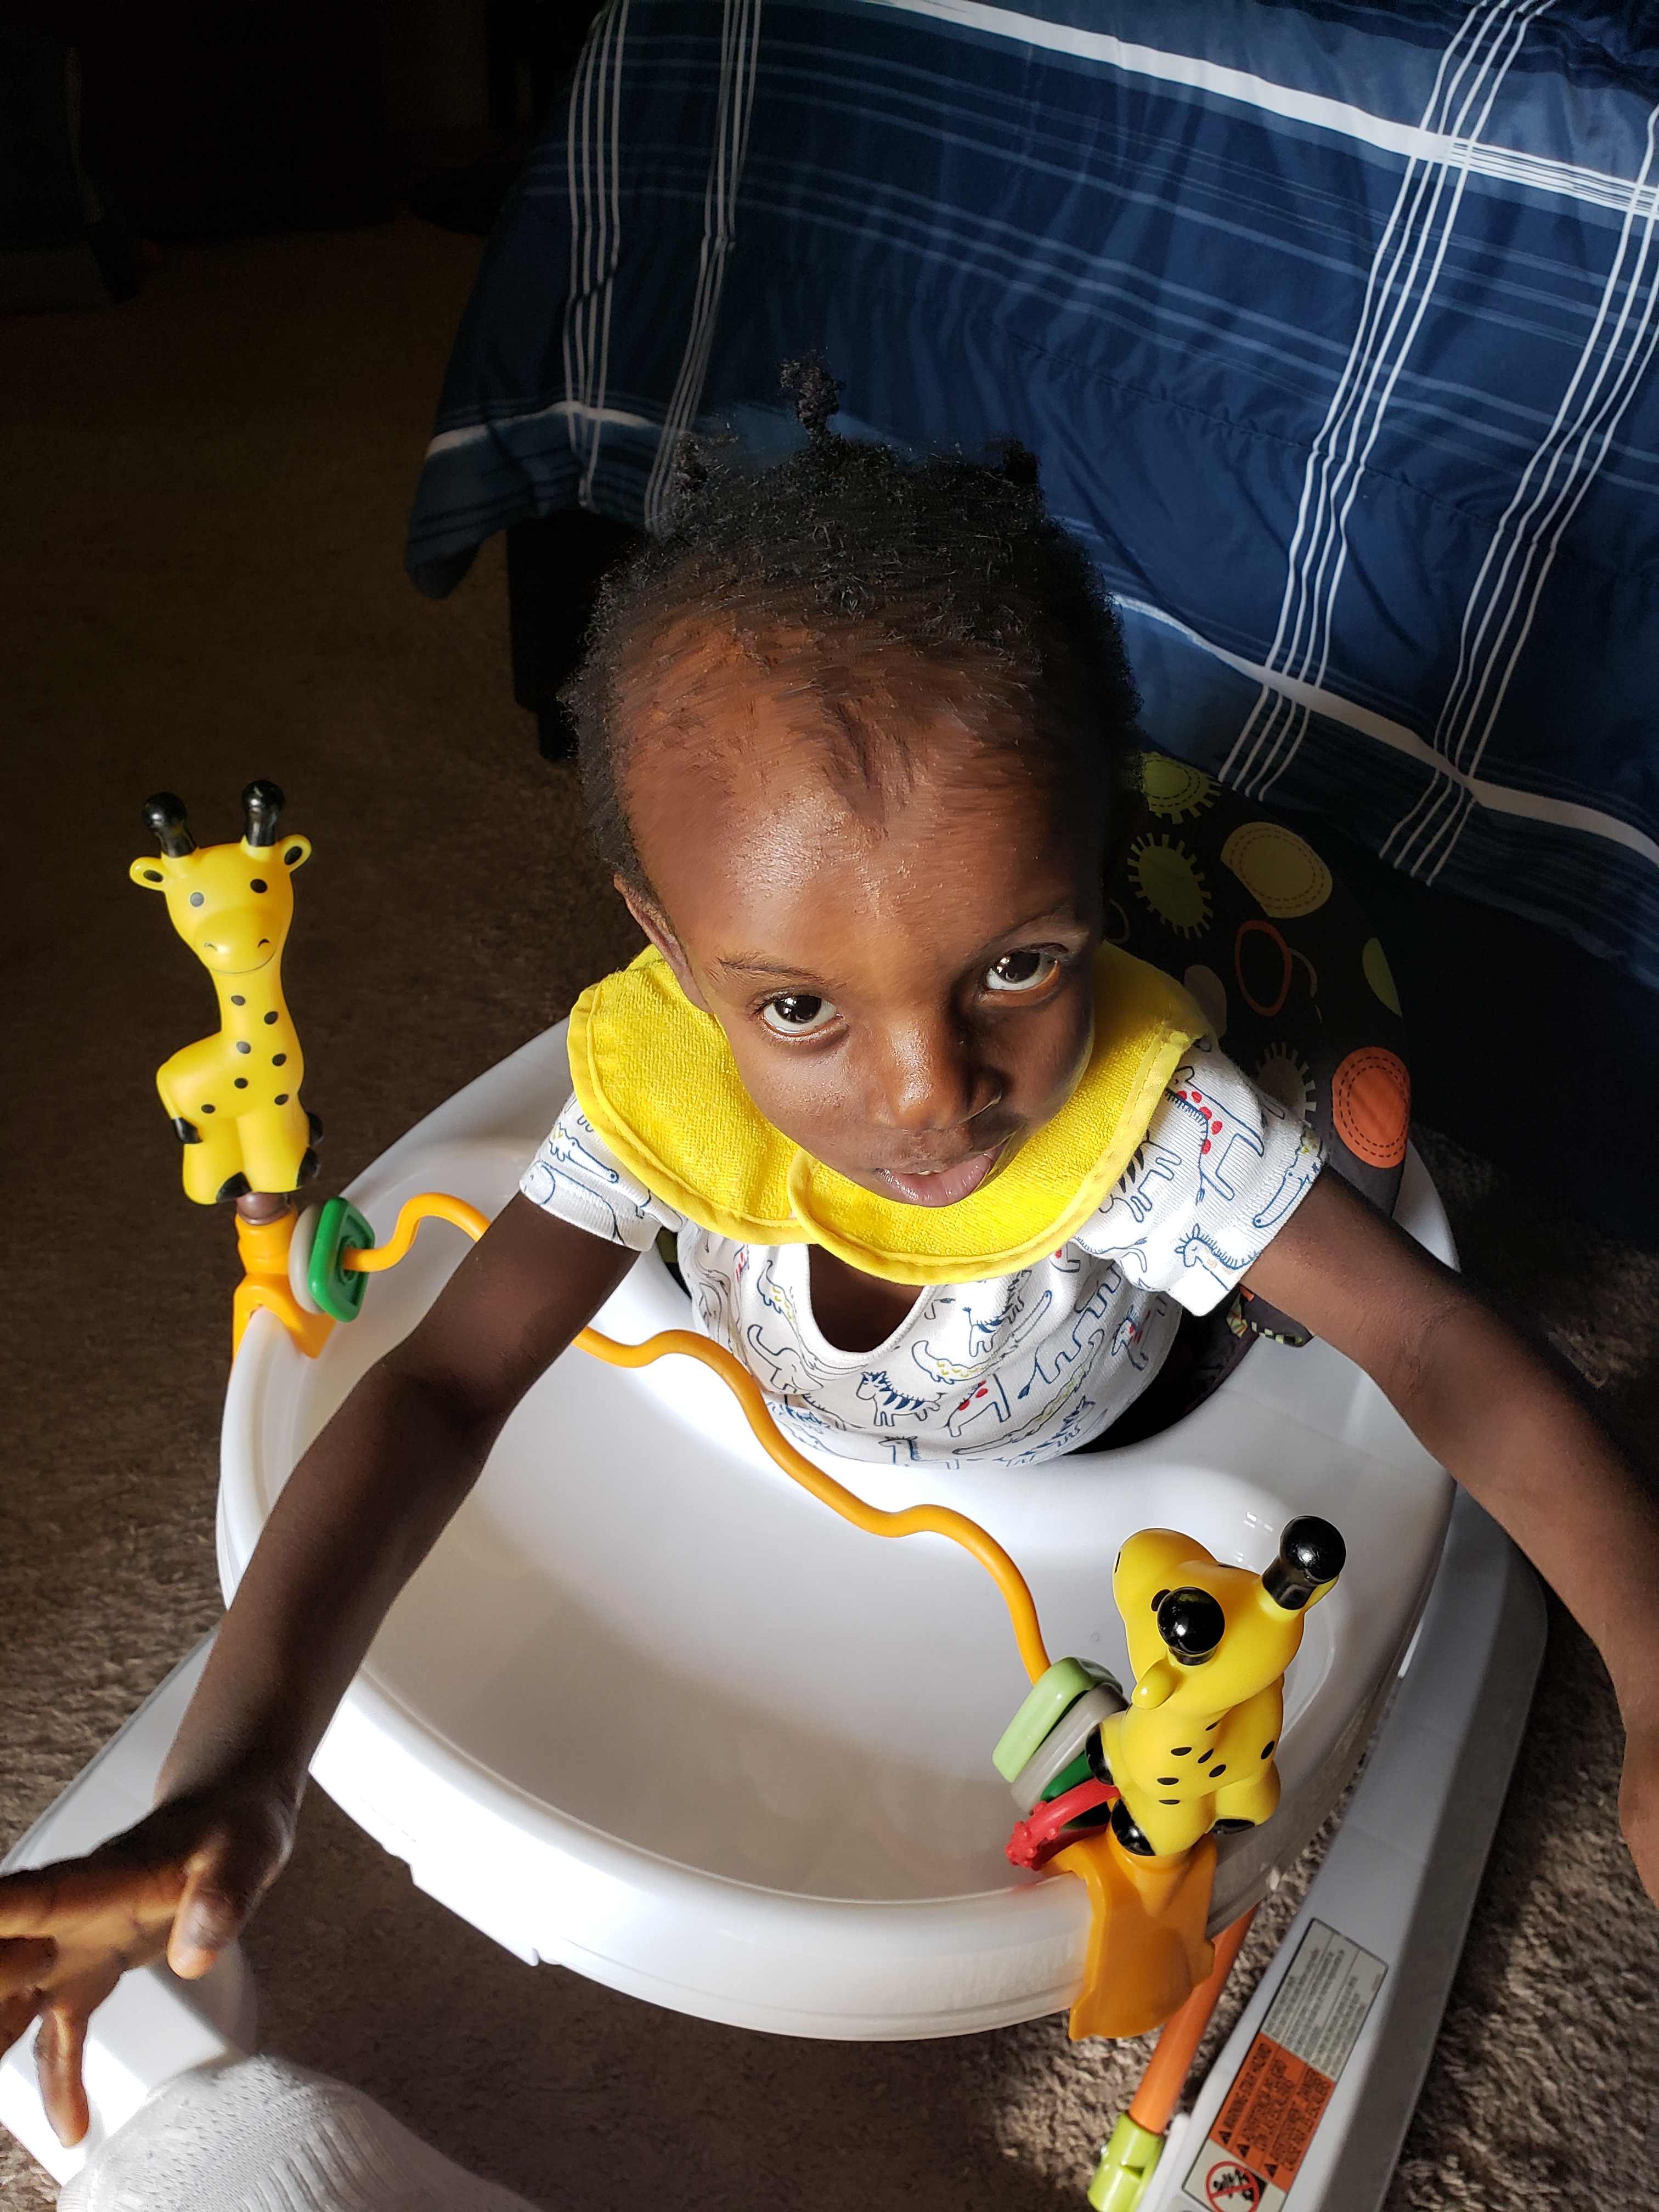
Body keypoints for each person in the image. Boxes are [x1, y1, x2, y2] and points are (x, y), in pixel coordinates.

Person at [3, 379, 1656, 2149]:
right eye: (798, 1006)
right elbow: (443, 1386)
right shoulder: (664, 1095)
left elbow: (1436, 1350)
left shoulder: (1149, 1129)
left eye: (1018, 965)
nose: (930, 1095)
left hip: (1085, 1465)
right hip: (772, 1418)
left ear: (1092, 882)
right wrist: (241, 1772)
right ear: (669, 949)